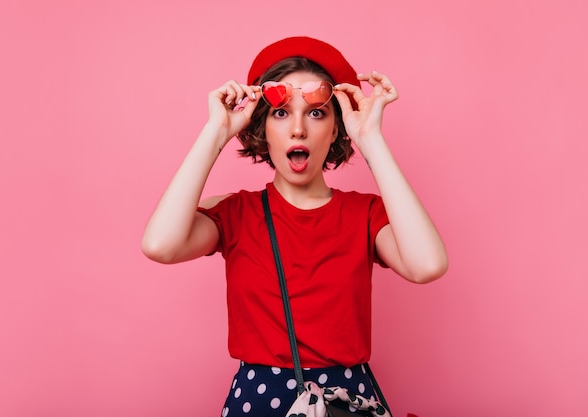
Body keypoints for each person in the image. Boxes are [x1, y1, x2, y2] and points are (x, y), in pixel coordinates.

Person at [141, 36, 448, 417]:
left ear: (337, 129)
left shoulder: (365, 214)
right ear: (262, 128)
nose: (298, 129)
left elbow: (427, 265)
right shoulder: (236, 213)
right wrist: (215, 131)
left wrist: (371, 139)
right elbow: (160, 245)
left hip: (348, 403)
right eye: (281, 113)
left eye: (316, 113)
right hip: (258, 402)